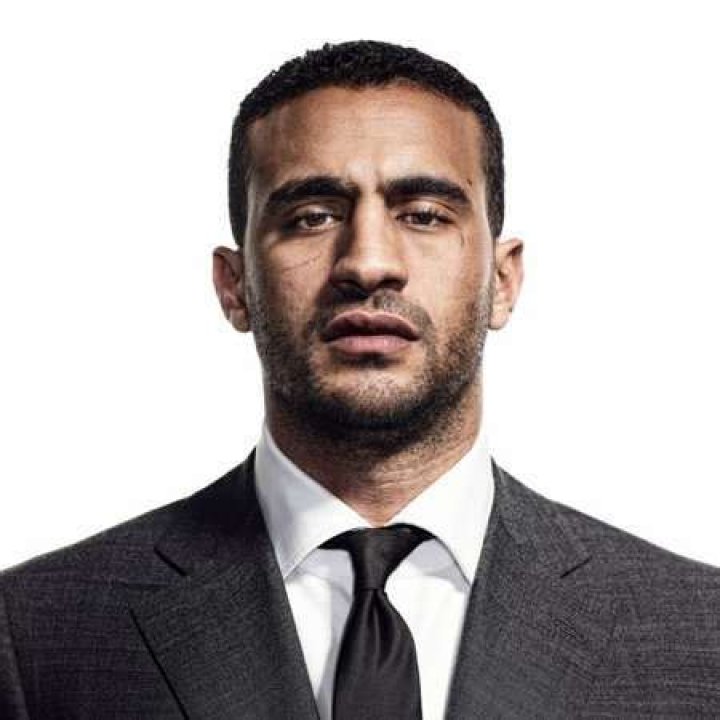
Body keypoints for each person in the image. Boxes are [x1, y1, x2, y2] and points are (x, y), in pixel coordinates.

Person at [1, 39, 719, 720]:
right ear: (234, 286)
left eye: (424, 215)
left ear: (502, 281)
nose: (369, 262)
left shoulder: (698, 632)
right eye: (312, 217)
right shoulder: (36, 634)